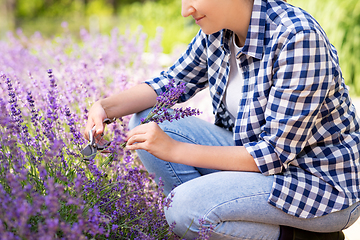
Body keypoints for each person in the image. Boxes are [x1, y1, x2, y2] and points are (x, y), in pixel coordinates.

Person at [84, 0, 360, 239]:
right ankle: (212, 222)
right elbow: (170, 83)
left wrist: (175, 150)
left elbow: (273, 155)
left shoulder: (298, 38)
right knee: (147, 120)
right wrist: (105, 108)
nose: (184, 10)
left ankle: (305, 237)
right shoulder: (219, 31)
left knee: (185, 209)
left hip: (317, 185)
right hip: (256, 165)